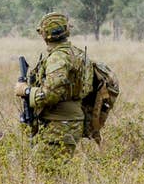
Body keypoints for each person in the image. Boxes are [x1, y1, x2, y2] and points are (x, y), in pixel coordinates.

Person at [15, 11, 91, 168]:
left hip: (61, 123)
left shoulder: (59, 58)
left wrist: (25, 90)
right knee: (52, 171)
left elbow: (49, 95)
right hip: (65, 121)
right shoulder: (76, 53)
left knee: (44, 170)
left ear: (44, 34)